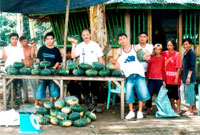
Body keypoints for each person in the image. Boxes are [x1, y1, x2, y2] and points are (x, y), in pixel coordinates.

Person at [112, 33, 150, 119]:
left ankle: (140, 111)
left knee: (141, 92)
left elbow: (144, 54)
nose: (122, 41)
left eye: (124, 38)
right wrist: (116, 62)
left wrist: (147, 57)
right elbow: (113, 60)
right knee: (129, 93)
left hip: (139, 73)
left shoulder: (135, 47)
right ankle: (131, 111)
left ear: (127, 39)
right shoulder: (119, 50)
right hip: (128, 75)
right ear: (118, 41)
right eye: (120, 39)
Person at [71, 29, 104, 113]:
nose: (85, 36)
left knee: (95, 88)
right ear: (82, 36)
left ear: (90, 35)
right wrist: (73, 45)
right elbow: (73, 56)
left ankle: (95, 106)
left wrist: (101, 69)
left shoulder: (95, 45)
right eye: (84, 35)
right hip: (83, 71)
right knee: (85, 88)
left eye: (87, 34)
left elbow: (100, 58)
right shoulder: (79, 46)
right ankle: (86, 106)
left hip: (94, 70)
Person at [35, 32, 62, 108]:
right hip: (43, 72)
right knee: (40, 87)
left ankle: (50, 104)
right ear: (45, 40)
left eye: (51, 39)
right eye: (47, 39)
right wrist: (39, 67)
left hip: (52, 72)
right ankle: (36, 103)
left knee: (53, 88)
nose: (49, 40)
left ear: (53, 40)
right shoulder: (42, 48)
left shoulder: (56, 50)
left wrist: (53, 68)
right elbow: (38, 59)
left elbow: (58, 61)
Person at [2, 33, 24, 105]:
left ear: (18, 40)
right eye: (13, 39)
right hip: (9, 69)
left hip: (18, 70)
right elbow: (4, 58)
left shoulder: (20, 49)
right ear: (10, 39)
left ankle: (18, 103)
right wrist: (3, 50)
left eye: (16, 39)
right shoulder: (6, 48)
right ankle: (7, 103)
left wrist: (22, 68)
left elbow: (22, 60)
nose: (14, 40)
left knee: (18, 87)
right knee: (8, 87)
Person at [162, 39, 182, 114]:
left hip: (174, 78)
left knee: (176, 95)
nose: (169, 47)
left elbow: (179, 67)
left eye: (170, 45)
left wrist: (176, 78)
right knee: (170, 95)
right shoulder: (164, 53)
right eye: (167, 45)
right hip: (167, 78)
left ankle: (178, 109)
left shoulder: (177, 55)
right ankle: (172, 108)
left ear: (174, 46)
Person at [145, 44, 165, 114]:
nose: (157, 50)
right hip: (151, 78)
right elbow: (148, 68)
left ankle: (159, 108)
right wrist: (147, 78)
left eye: (159, 49)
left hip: (159, 79)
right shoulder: (151, 57)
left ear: (161, 50)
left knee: (159, 94)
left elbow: (163, 69)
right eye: (156, 49)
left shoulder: (163, 58)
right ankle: (148, 107)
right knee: (149, 93)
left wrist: (164, 80)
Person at [19, 36, 37, 103]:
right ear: (20, 43)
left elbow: (33, 56)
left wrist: (33, 47)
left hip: (30, 68)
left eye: (25, 41)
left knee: (33, 84)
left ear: (27, 40)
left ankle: (36, 99)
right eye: (22, 42)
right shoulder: (19, 49)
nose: (24, 43)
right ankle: (25, 99)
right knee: (24, 85)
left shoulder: (30, 47)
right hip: (23, 69)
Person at [182, 39, 197, 116]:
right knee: (191, 93)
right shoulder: (186, 53)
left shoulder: (191, 54)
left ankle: (190, 110)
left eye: (187, 44)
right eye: (184, 44)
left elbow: (191, 67)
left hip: (190, 77)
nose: (185, 46)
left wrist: (188, 77)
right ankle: (194, 108)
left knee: (190, 93)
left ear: (190, 44)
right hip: (186, 76)